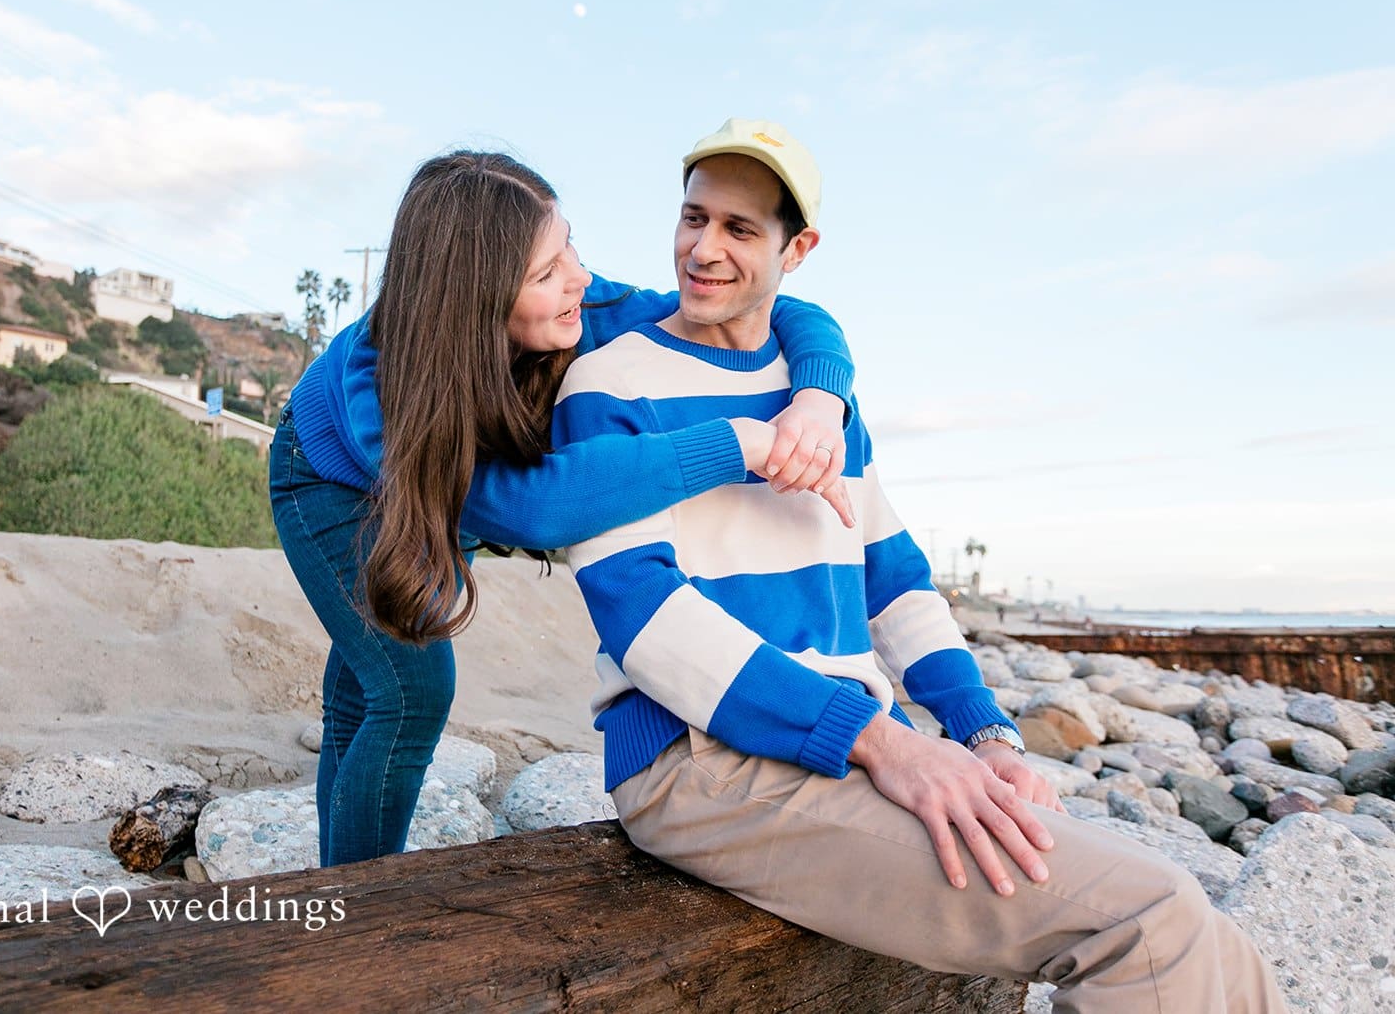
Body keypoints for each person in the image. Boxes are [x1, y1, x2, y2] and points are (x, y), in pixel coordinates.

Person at [555, 119, 1285, 1012]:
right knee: (1144, 917)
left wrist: (987, 737)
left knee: (1211, 933)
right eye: (693, 218)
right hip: (702, 762)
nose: (703, 249)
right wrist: (886, 742)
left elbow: (893, 581)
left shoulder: (822, 400)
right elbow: (645, 620)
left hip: (830, 747)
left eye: (740, 229)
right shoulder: (608, 384)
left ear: (800, 248)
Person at [271, 150, 861, 866]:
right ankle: (358, 917)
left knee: (366, 686)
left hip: (437, 481)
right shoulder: (382, 392)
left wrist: (819, 400)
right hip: (328, 479)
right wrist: (736, 443)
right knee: (408, 685)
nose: (578, 276)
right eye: (546, 272)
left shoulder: (588, 303)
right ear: (476, 298)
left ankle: (336, 881)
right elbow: (534, 508)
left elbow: (776, 308)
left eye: (569, 245)